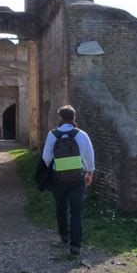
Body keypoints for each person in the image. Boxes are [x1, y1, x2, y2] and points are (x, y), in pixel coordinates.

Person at [42, 105, 95, 256]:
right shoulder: (82, 135)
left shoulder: (52, 135)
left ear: (60, 118)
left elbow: (46, 158)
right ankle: (75, 246)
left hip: (58, 177)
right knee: (76, 211)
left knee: (61, 207)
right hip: (78, 177)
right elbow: (89, 157)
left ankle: (64, 236)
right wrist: (89, 173)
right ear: (74, 117)